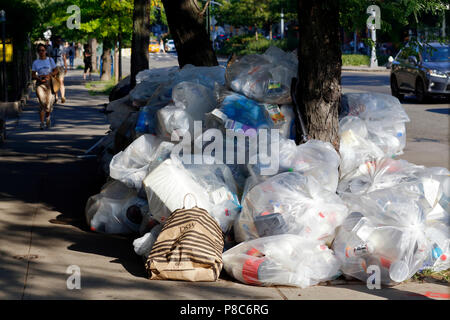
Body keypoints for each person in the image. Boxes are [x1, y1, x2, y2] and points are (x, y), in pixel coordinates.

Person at [31, 44, 58, 130]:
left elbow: (56, 70)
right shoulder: (35, 62)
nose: (41, 52)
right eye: (39, 50)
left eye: (43, 50)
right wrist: (38, 77)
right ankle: (42, 123)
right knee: (42, 103)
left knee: (48, 104)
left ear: (46, 51)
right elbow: (33, 74)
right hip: (40, 85)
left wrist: (50, 75)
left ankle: (48, 118)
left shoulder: (50, 60)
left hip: (49, 85)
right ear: (38, 52)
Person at [49, 37, 67, 103]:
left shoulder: (62, 48)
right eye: (57, 41)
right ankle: (56, 96)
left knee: (61, 81)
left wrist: (66, 66)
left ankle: (62, 96)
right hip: (53, 67)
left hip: (60, 66)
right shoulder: (51, 48)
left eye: (59, 41)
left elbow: (64, 57)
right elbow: (49, 57)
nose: (58, 42)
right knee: (55, 82)